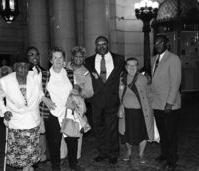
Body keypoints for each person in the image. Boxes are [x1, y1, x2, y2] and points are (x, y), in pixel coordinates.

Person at [0, 58, 49, 171]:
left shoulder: (34, 77)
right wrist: (4, 111)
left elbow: (39, 93)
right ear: (15, 67)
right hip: (17, 123)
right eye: (20, 66)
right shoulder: (6, 81)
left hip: (32, 121)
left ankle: (27, 168)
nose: (23, 69)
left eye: (25, 66)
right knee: (21, 155)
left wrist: (44, 99)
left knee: (31, 154)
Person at [39, 47, 85, 171]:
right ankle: (56, 167)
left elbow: (75, 86)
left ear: (64, 60)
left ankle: (74, 165)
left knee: (72, 141)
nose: (58, 60)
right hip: (52, 113)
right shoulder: (44, 75)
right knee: (54, 144)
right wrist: (44, 98)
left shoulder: (69, 73)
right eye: (55, 57)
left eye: (60, 57)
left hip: (68, 112)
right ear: (51, 60)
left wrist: (75, 92)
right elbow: (36, 91)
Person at [85, 36, 124, 165]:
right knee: (98, 128)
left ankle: (113, 154)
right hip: (96, 102)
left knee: (112, 128)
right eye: (98, 44)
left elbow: (127, 74)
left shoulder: (118, 59)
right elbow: (81, 75)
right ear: (95, 46)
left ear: (108, 44)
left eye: (104, 43)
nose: (101, 46)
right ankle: (102, 153)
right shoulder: (89, 61)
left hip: (112, 100)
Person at [151, 35, 181, 170]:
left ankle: (172, 159)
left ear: (167, 44)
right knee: (163, 132)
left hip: (169, 105)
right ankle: (164, 154)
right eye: (156, 43)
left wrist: (170, 102)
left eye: (161, 42)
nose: (158, 45)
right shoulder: (154, 59)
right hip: (157, 103)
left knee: (171, 133)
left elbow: (175, 83)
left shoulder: (173, 59)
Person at [119, 58, 155, 163]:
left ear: (137, 66)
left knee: (142, 133)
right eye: (129, 65)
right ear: (125, 67)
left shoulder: (143, 78)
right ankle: (129, 152)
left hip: (141, 111)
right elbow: (118, 93)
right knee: (126, 133)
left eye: (134, 65)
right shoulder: (121, 78)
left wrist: (152, 108)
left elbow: (150, 93)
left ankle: (141, 153)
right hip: (126, 111)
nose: (131, 67)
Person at [65, 46, 94, 159]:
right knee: (63, 129)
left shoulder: (86, 72)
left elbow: (90, 92)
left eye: (81, 57)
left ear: (84, 58)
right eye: (76, 56)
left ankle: (76, 157)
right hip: (64, 103)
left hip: (77, 105)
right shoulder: (65, 66)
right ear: (72, 57)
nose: (78, 59)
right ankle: (64, 155)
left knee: (77, 130)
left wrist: (80, 90)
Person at [26, 46, 48, 164]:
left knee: (42, 130)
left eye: (36, 54)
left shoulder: (43, 70)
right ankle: (33, 156)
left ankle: (42, 155)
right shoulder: (24, 71)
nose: (35, 56)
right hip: (30, 106)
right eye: (31, 54)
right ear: (27, 57)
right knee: (32, 131)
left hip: (42, 105)